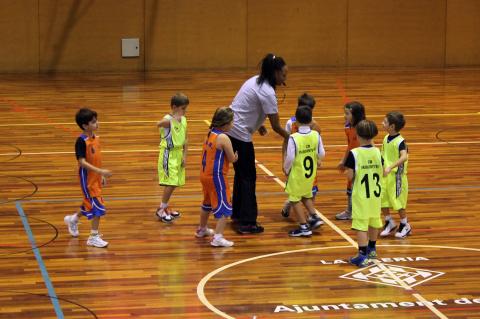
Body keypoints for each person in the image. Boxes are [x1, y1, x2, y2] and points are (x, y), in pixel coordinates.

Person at [227, 53, 290, 234]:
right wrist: (291, 138)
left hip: (232, 130)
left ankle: (238, 214)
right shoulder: (268, 92)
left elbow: (246, 106)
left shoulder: (255, 81)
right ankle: (247, 222)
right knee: (248, 178)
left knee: (241, 175)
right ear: (275, 73)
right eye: (284, 75)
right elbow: (277, 126)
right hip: (239, 135)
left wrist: (258, 124)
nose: (285, 78)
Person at [64, 108, 112, 248]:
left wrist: (100, 174)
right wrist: (99, 171)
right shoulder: (81, 141)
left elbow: (97, 158)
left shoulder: (96, 138)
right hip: (87, 179)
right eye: (93, 122)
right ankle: (93, 237)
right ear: (85, 125)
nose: (97, 123)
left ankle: (73, 219)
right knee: (98, 207)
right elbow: (82, 162)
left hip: (96, 177)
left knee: (90, 204)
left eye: (96, 120)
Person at [344, 120, 383, 267]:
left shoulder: (354, 154)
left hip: (361, 195)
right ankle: (372, 249)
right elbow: (382, 169)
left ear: (358, 135)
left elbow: (350, 176)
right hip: (376, 194)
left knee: (360, 225)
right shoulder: (377, 151)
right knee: (374, 221)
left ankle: (362, 255)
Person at [197, 107, 238, 247]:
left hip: (204, 175)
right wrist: (236, 156)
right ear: (225, 123)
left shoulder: (211, 133)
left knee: (207, 204)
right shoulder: (223, 137)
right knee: (225, 207)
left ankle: (202, 229)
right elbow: (232, 158)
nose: (233, 124)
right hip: (217, 177)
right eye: (232, 122)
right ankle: (218, 238)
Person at [281, 93, 323, 229]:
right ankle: (313, 216)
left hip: (297, 170)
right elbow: (321, 151)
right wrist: (318, 159)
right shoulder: (291, 124)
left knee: (295, 196)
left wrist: (286, 167)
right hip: (310, 169)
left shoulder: (301, 134)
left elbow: (291, 156)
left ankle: (304, 225)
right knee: (306, 193)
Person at [155, 93, 189, 223]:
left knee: (174, 183)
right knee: (171, 183)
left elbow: (186, 139)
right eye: (183, 108)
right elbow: (158, 124)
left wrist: (184, 156)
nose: (185, 111)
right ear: (174, 107)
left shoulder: (184, 120)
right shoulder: (168, 120)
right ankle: (161, 209)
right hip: (168, 154)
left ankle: (165, 206)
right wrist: (171, 119)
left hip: (178, 154)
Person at [379, 111, 410, 238]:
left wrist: (390, 167)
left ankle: (405, 225)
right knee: (382, 200)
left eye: (385, 122)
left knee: (398, 203)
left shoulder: (400, 142)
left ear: (392, 126)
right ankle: (389, 222)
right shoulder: (386, 138)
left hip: (397, 177)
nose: (382, 123)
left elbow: (404, 157)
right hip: (385, 175)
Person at [336, 101, 366, 220]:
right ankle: (350, 211)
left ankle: (360, 211)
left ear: (356, 115)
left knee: (360, 187)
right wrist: (344, 161)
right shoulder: (347, 127)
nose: (345, 116)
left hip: (362, 161)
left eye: (347, 113)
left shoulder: (363, 128)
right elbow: (350, 145)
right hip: (352, 160)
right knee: (350, 186)